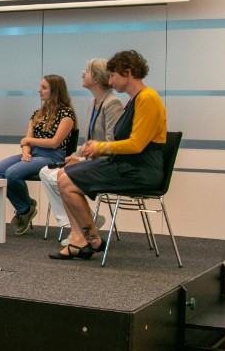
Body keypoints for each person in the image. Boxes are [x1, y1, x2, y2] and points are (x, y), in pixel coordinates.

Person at [51, 50, 167, 260]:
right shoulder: (135, 100)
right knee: (63, 174)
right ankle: (83, 238)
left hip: (139, 170)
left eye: (113, 75)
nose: (110, 80)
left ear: (128, 72)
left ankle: (91, 240)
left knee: (66, 182)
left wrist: (100, 148)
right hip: (127, 166)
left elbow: (136, 145)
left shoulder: (147, 99)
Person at [38, 59, 123, 245]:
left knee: (60, 176)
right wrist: (77, 156)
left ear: (97, 77)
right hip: (91, 159)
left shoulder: (113, 103)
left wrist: (83, 159)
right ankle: (81, 221)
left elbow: (111, 144)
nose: (82, 74)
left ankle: (81, 225)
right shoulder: (93, 103)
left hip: (106, 163)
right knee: (45, 172)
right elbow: (89, 142)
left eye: (87, 71)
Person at [0, 75, 76, 235]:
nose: (39, 90)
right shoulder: (37, 113)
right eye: (40, 86)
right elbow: (26, 142)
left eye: (44, 87)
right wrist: (26, 154)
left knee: (12, 173)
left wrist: (29, 140)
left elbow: (54, 143)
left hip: (52, 157)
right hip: (34, 153)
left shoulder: (66, 114)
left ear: (55, 91)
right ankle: (26, 207)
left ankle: (24, 209)